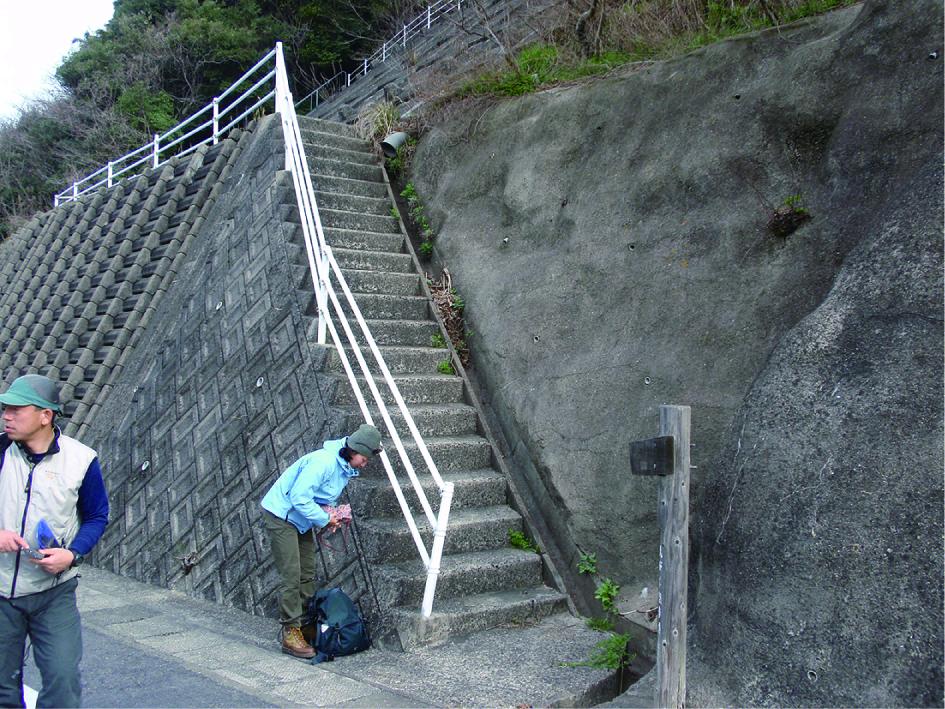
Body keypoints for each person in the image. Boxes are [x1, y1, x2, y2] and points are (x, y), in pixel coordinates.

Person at [0, 374, 109, 708]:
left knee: (63, 679)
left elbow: (97, 516)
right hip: (2, 591)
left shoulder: (81, 459)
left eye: (17, 409)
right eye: (5, 408)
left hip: (54, 592)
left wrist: (72, 554)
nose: (6, 416)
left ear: (45, 415)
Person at [260, 423, 381, 659]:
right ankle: (290, 632)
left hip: (301, 519)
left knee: (308, 571)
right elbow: (298, 496)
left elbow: (315, 497)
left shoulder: (343, 468)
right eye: (364, 458)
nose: (365, 463)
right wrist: (325, 519)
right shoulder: (323, 462)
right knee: (292, 574)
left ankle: (305, 623)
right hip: (281, 515)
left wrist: (332, 515)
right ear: (353, 451)